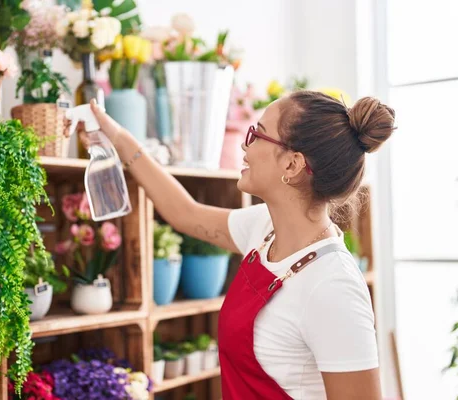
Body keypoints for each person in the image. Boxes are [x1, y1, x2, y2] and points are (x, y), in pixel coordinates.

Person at [74, 90, 395, 400]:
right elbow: (185, 213)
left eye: (258, 134)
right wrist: (114, 134)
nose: (246, 145)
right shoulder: (265, 230)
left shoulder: (332, 286)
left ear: (292, 165)